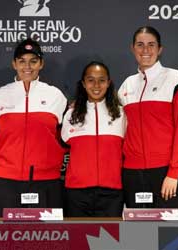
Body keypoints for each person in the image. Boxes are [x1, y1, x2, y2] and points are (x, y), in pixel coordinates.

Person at [0, 38, 67, 217]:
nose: (28, 66)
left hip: (46, 181)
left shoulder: (55, 96)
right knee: (8, 239)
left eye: (33, 61)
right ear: (14, 64)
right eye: (22, 61)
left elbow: (64, 136)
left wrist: (50, 159)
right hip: (7, 181)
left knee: (47, 239)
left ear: (41, 64)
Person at [118, 26, 178, 210]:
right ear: (132, 48)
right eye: (140, 45)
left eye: (151, 45)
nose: (146, 50)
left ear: (160, 49)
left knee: (169, 235)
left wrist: (174, 173)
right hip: (133, 174)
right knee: (137, 236)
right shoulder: (127, 85)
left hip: (166, 173)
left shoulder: (176, 79)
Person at [61, 61, 125, 217]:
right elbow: (61, 147)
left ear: (108, 83)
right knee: (77, 241)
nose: (96, 85)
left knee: (110, 241)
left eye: (102, 80)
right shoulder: (71, 115)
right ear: (83, 83)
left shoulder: (122, 114)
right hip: (76, 193)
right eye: (90, 80)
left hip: (112, 193)